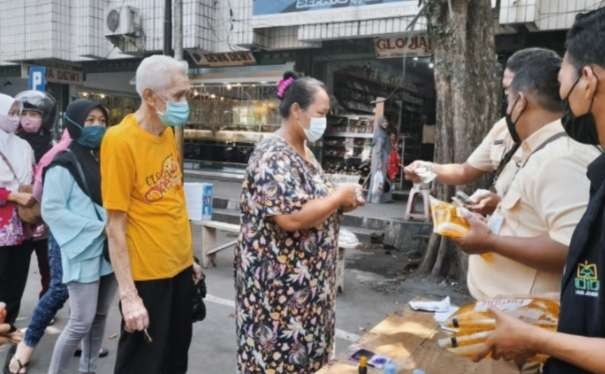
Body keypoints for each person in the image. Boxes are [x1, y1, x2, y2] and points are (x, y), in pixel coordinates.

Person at [473, 8, 605, 373]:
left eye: (564, 77)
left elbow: (566, 247)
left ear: (589, 80)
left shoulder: (563, 157)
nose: (563, 94)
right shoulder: (592, 170)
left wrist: (537, 339)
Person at [235, 72, 363, 373]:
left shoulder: (305, 152)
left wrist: (345, 201)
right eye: (321, 113)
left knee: (309, 363)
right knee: (276, 363)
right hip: (279, 298)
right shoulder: (272, 155)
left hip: (309, 294)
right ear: (296, 110)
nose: (324, 121)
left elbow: (318, 204)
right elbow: (290, 218)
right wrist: (338, 196)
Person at [454, 48, 599, 300]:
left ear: (521, 102)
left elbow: (572, 248)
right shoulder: (539, 148)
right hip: (510, 316)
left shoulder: (562, 157)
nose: (507, 109)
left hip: (529, 323)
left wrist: (490, 242)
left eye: (508, 99)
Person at [101, 55, 202, 374]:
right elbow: (115, 226)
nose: (184, 103)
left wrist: (190, 259)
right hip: (148, 278)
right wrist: (129, 296)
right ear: (148, 96)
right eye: (178, 95)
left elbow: (171, 200)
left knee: (175, 361)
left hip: (181, 272)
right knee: (143, 366)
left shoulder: (168, 133)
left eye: (186, 94)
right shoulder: (119, 140)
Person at [404, 51, 537, 215]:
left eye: (507, 90)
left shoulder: (564, 148)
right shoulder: (503, 128)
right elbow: (464, 171)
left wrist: (502, 207)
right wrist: (426, 167)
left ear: (522, 98)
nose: (506, 97)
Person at [41, 100, 115, 374]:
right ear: (74, 123)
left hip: (108, 250)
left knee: (100, 317)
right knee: (80, 321)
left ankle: (89, 369)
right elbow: (52, 210)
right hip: (83, 250)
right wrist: (97, 227)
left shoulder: (104, 157)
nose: (97, 126)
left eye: (102, 120)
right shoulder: (62, 162)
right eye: (89, 120)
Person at [0, 93, 35, 330]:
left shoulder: (23, 145)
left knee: (17, 278)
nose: (15, 118)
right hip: (3, 225)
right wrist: (10, 195)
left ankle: (8, 326)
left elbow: (32, 175)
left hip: (23, 223)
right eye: (10, 112)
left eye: (17, 113)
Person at [15, 90, 55, 298]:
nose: (28, 119)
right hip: (16, 215)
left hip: (45, 214)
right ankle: (8, 310)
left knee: (48, 268)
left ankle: (45, 305)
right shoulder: (9, 143)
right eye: (25, 113)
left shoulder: (52, 148)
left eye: (35, 114)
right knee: (12, 270)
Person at [368, 98, 391, 203]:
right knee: (378, 179)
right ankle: (375, 199)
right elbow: (378, 150)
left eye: (386, 122)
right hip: (380, 159)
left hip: (380, 158)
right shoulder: (381, 134)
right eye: (384, 122)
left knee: (377, 178)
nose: (386, 123)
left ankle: (372, 198)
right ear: (380, 123)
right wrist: (379, 163)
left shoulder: (380, 132)